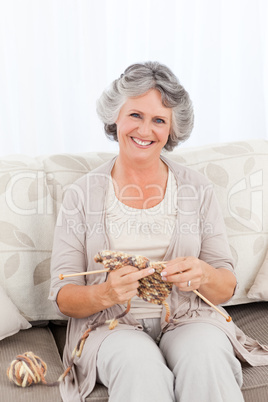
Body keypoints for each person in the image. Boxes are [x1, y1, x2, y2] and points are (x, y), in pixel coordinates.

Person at [49, 62, 267, 402]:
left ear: (172, 130)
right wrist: (106, 293)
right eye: (135, 115)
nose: (145, 130)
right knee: (141, 369)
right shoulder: (81, 194)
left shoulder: (197, 188)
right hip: (111, 326)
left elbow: (224, 286)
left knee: (207, 358)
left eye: (159, 120)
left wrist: (204, 273)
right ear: (115, 117)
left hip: (189, 317)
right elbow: (63, 294)